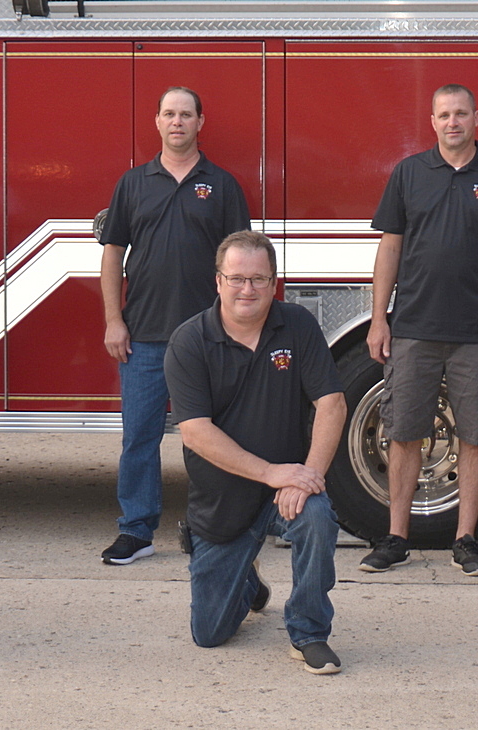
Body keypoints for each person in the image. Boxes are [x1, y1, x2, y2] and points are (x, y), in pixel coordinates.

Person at [362, 83, 478, 575]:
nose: (452, 122)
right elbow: (389, 248)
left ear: (477, 117)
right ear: (432, 121)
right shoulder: (409, 174)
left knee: (477, 436)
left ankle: (467, 540)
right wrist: (379, 319)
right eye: (443, 115)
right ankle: (395, 537)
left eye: (461, 113)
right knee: (402, 432)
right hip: (414, 326)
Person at [164, 231, 347, 674]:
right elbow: (195, 432)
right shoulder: (189, 342)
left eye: (259, 279)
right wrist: (270, 473)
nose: (248, 289)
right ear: (219, 281)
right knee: (209, 635)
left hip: (285, 491)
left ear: (274, 283)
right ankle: (247, 581)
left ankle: (308, 634)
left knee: (318, 517)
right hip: (224, 500)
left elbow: (332, 403)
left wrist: (308, 476)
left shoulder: (297, 325)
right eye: (237, 278)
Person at [99, 86, 251, 566]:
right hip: (142, 335)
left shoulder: (222, 185)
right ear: (157, 122)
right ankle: (136, 530)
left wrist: (237, 328)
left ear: (201, 122)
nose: (178, 122)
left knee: (210, 439)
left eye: (186, 114)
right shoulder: (133, 183)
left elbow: (242, 262)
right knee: (138, 439)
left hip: (207, 338)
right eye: (169, 114)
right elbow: (112, 255)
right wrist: (112, 320)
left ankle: (212, 529)